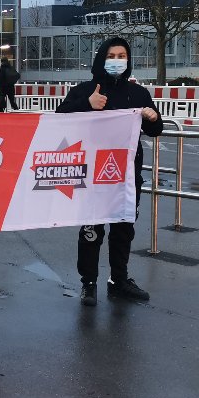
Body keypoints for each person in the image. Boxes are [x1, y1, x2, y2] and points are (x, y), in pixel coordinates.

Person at [56, 36, 162, 306]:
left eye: (121, 56)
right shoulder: (86, 90)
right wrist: (86, 104)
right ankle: (88, 283)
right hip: (93, 175)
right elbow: (60, 118)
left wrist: (153, 117)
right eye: (111, 56)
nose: (117, 61)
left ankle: (119, 280)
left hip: (127, 175)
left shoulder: (138, 93)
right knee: (91, 231)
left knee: (124, 229)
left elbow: (155, 129)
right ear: (101, 58)